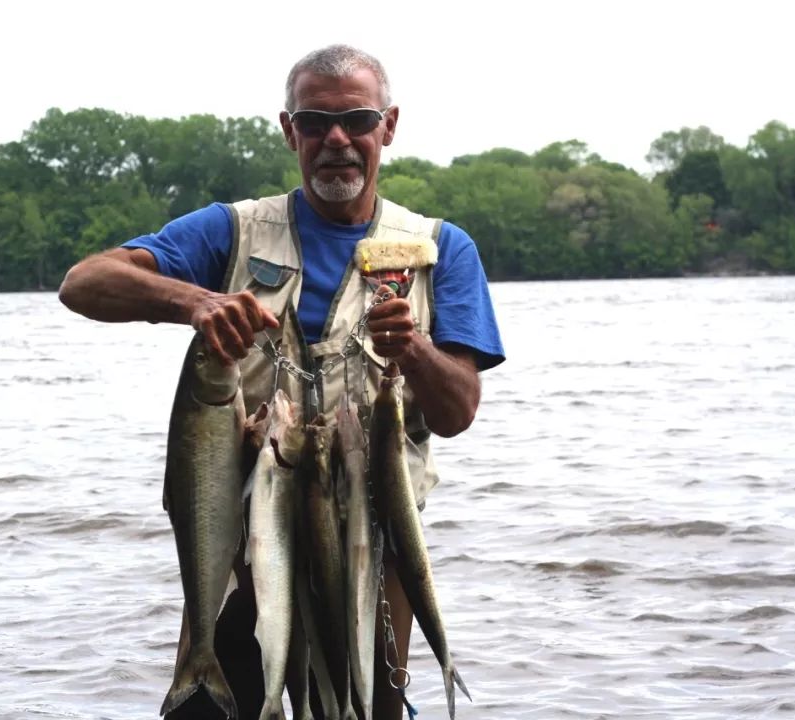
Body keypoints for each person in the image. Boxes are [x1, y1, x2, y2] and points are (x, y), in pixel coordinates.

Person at [59, 44, 504, 720]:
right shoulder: (229, 231)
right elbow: (83, 284)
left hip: (374, 544)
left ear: (388, 126)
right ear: (288, 130)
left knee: (370, 709)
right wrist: (195, 303)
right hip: (241, 542)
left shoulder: (443, 249)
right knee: (206, 706)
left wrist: (411, 348)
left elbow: (458, 410)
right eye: (315, 121)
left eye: (356, 119)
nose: (336, 140)